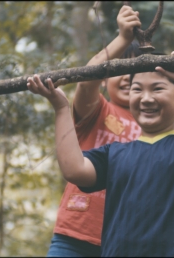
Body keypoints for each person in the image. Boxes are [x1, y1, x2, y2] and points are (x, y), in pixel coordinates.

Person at [27, 48, 174, 256]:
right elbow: (74, 170)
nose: (146, 98)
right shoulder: (113, 154)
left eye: (157, 89)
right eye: (137, 89)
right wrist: (61, 108)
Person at [42, 5, 143, 257]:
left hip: (126, 241)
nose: (128, 78)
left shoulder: (153, 127)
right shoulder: (99, 109)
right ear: (106, 78)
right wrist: (123, 39)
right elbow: (87, 82)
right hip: (74, 235)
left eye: (135, 71)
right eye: (120, 70)